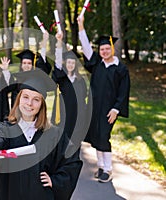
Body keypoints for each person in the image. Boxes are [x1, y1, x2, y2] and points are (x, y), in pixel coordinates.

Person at [0, 69, 83, 200]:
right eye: (25, 97)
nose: (29, 104)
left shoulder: (53, 135)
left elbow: (72, 161)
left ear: (42, 104)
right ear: (19, 99)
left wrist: (56, 181)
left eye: (36, 99)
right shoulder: (4, 129)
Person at [77, 16, 130, 183]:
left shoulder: (120, 69)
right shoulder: (97, 64)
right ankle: (100, 166)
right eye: (102, 49)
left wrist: (116, 109)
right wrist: (81, 26)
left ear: (112, 49)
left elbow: (124, 91)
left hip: (109, 110)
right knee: (95, 136)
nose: (104, 52)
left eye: (107, 49)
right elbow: (86, 48)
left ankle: (107, 169)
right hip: (94, 107)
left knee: (103, 136)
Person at [51, 31, 88, 141]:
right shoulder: (61, 78)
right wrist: (58, 42)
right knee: (62, 139)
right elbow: (57, 65)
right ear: (65, 64)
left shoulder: (80, 80)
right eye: (68, 63)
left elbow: (83, 97)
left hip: (77, 115)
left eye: (73, 63)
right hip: (62, 113)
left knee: (75, 140)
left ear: (75, 64)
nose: (70, 65)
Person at [8, 31, 52, 107]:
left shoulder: (37, 76)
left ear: (32, 65)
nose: (26, 65)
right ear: (21, 65)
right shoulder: (18, 79)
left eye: (29, 63)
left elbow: (42, 61)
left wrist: (44, 42)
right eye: (24, 63)